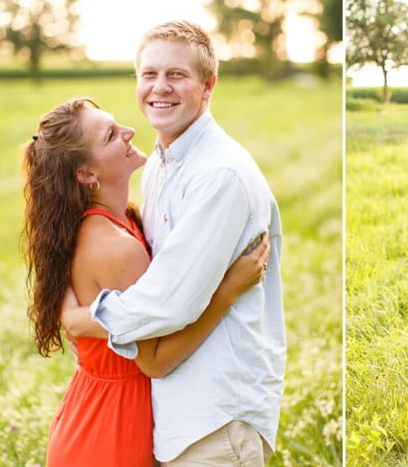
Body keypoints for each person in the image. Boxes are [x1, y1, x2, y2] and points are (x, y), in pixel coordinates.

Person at [62, 20, 286, 466]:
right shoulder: (161, 165)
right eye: (149, 74)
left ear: (208, 86)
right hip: (175, 413)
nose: (159, 87)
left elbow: (166, 304)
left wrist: (80, 319)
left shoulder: (218, 175)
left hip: (216, 416)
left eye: (177, 75)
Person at [22, 97, 269, 466]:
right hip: (112, 428)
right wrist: (227, 291)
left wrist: (74, 319)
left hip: (93, 410)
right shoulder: (117, 248)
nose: (129, 131)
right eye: (110, 135)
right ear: (87, 174)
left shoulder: (115, 221)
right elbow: (154, 361)